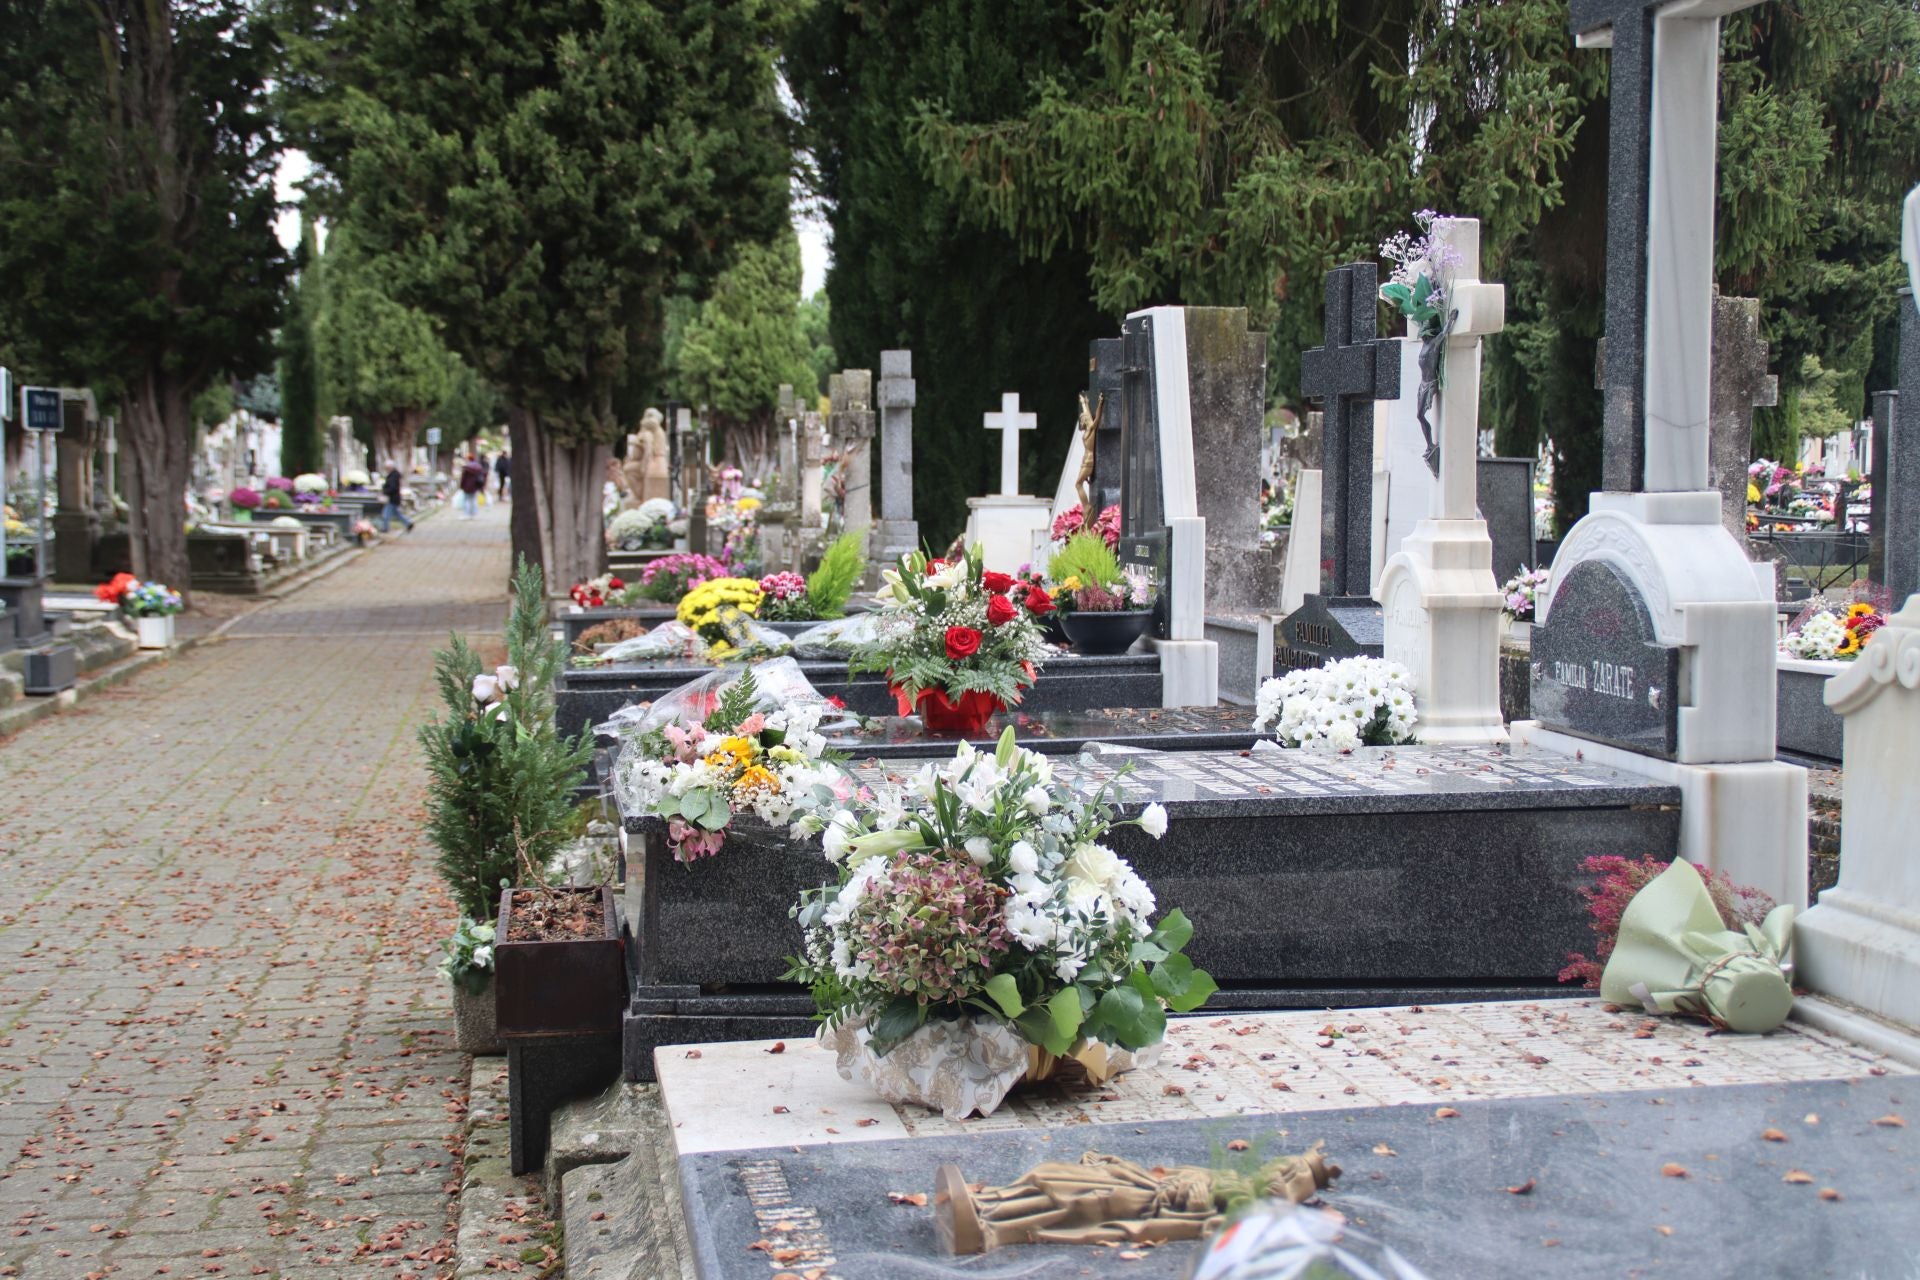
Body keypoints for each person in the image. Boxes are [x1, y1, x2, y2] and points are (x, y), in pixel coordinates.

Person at [380, 461, 414, 534]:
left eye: (387, 468)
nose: (386, 469)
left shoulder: (393, 476)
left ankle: (385, 528)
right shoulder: (394, 475)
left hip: (392, 498)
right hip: (394, 498)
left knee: (386, 515)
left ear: (390, 467)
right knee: (397, 514)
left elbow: (393, 487)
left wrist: (385, 491)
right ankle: (408, 523)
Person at [458, 453, 486, 518]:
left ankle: (466, 514)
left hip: (467, 486)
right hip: (475, 486)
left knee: (466, 500)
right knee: (473, 499)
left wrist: (461, 486)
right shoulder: (478, 467)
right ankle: (473, 513)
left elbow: (463, 478)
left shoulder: (467, 468)